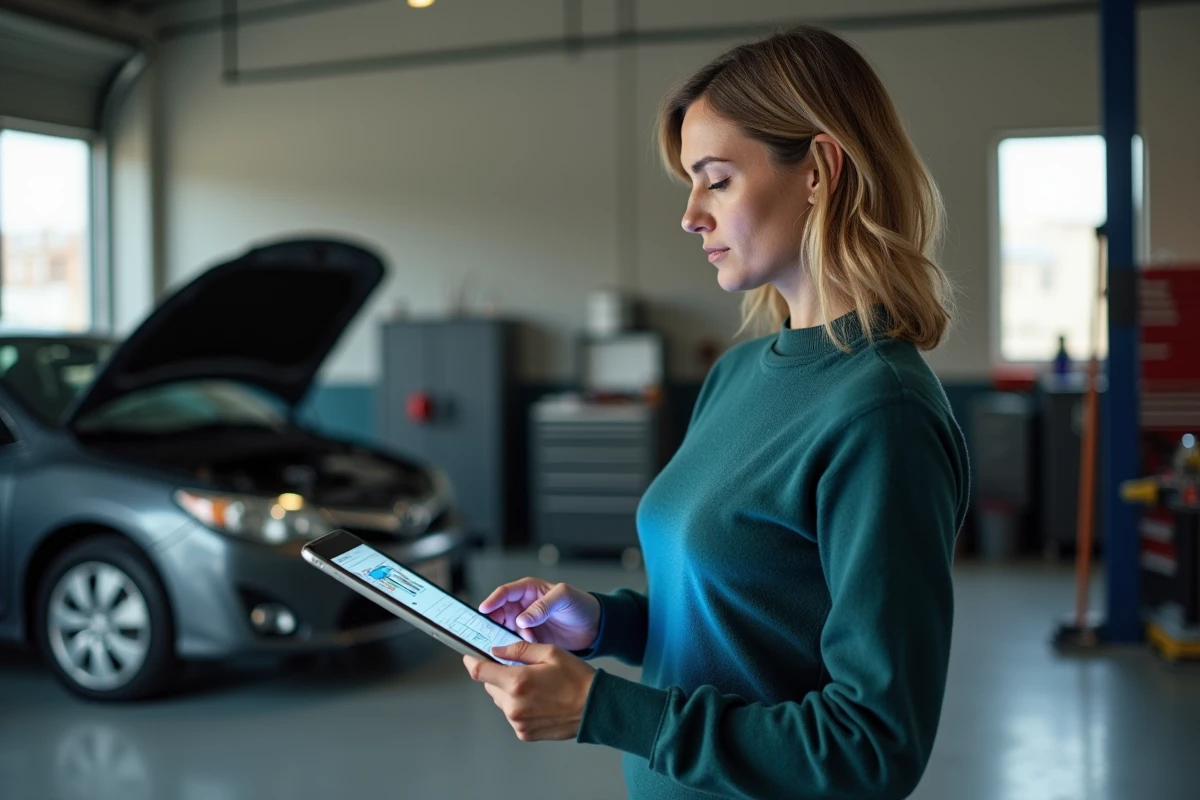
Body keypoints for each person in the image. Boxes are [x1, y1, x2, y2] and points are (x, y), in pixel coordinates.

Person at [462, 25, 970, 800]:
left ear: (820, 171)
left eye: (718, 179)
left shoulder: (881, 414)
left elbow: (873, 748)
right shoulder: (737, 375)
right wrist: (602, 624)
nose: (691, 214)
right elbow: (740, 615)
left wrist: (607, 709)